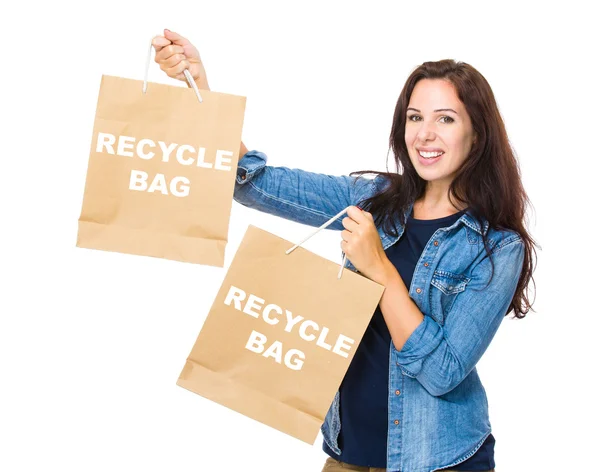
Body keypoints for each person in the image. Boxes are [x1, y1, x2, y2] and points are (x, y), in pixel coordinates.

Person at [152, 29, 537, 472]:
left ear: (476, 133)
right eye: (415, 118)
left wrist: (379, 267)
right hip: (347, 451)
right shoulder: (374, 199)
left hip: (436, 460)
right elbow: (254, 183)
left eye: (446, 119)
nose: (426, 135)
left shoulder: (496, 247)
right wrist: (198, 87)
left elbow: (443, 372)